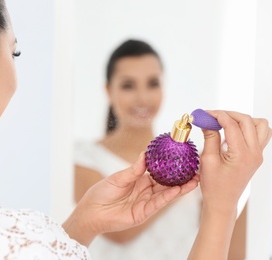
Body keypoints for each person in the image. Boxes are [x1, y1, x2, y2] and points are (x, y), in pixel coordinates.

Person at [0, 1, 272, 259]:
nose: (142, 96)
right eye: (14, 53)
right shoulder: (6, 231)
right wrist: (221, 207)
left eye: (152, 83)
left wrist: (79, 226)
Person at [74, 40, 247, 259]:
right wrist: (184, 175)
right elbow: (118, 232)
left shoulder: (197, 163)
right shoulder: (82, 157)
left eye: (153, 83)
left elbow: (229, 250)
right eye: (128, 85)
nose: (143, 97)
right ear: (108, 90)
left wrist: (241, 179)